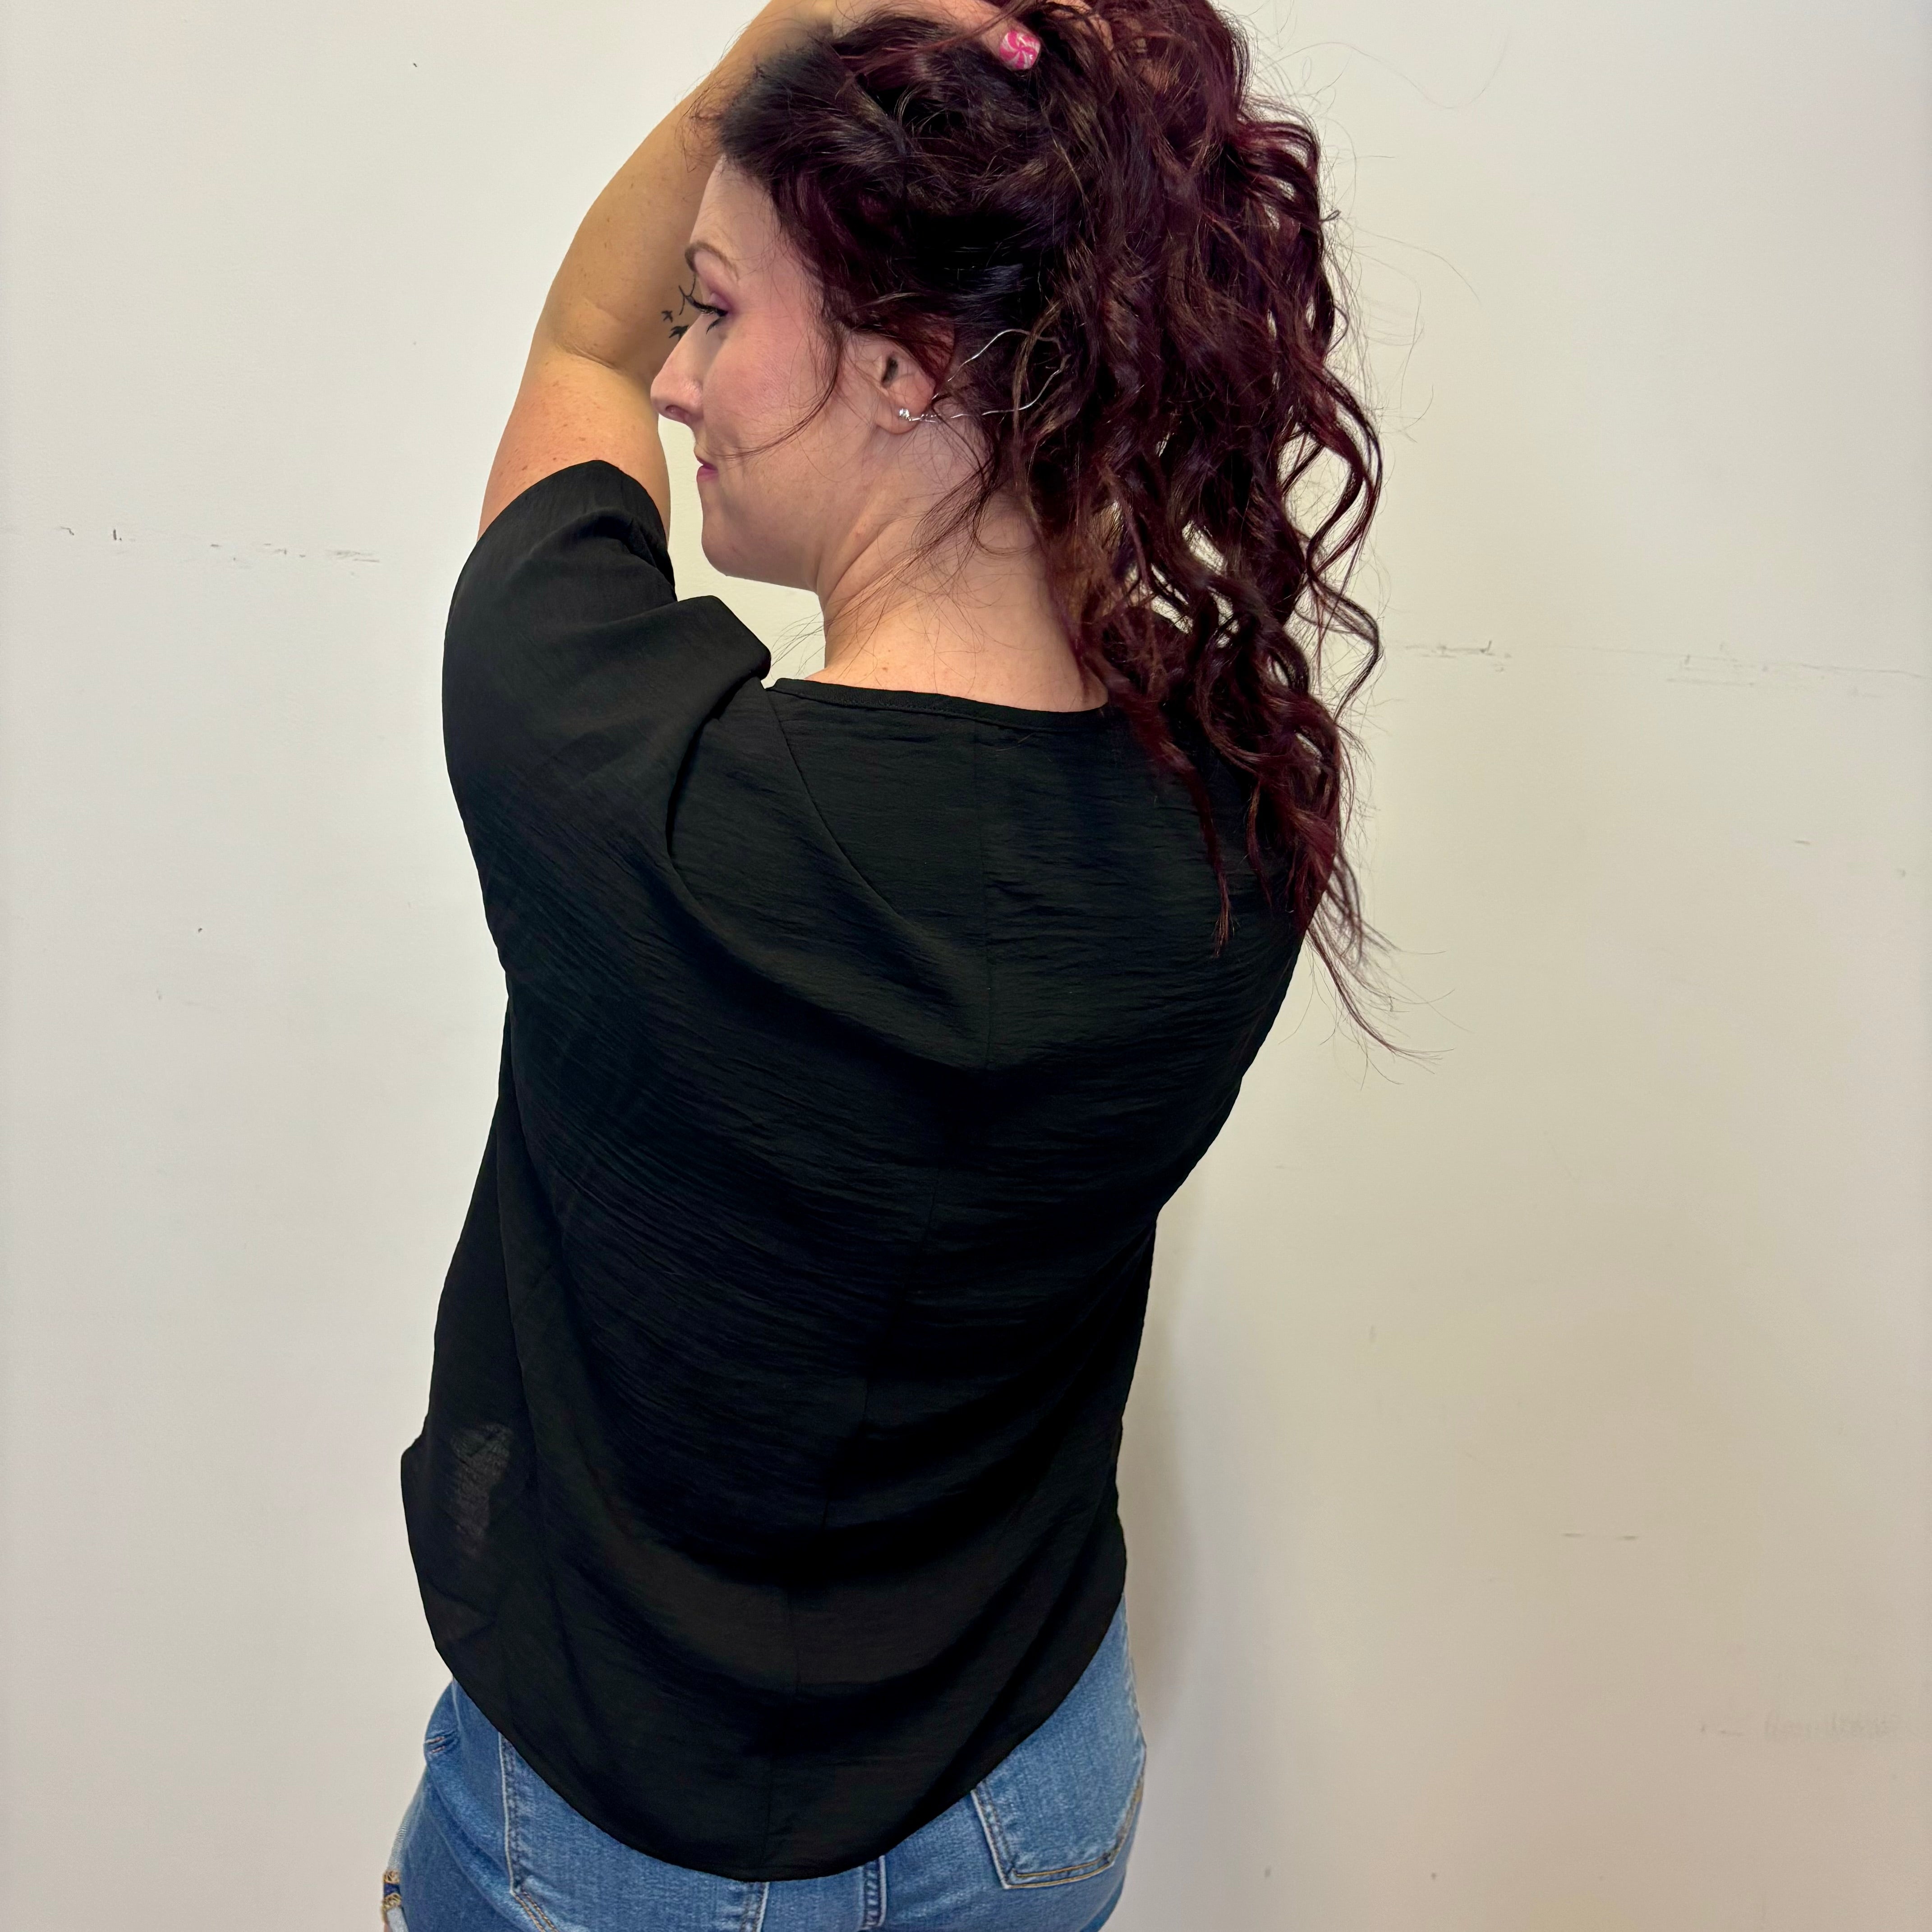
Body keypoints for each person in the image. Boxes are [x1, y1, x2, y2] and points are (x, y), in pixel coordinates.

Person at [384, 0, 1381, 1925]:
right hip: (1028, 1805)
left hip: (611, 1845)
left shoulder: (626, 790)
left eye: (719, 310)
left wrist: (773, 44)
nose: (682, 376)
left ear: (911, 369)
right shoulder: (1242, 836)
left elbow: (579, 350)